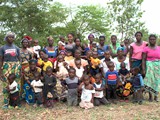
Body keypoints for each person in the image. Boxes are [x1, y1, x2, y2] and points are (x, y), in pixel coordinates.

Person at [0, 32, 21, 108]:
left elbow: (19, 59)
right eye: (9, 37)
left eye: (12, 37)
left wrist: (20, 68)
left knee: (16, 83)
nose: (11, 38)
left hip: (16, 66)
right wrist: (0, 72)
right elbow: (1, 60)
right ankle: (6, 103)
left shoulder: (17, 48)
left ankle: (16, 102)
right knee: (6, 83)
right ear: (6, 38)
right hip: (6, 66)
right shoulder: (2, 48)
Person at [142, 34, 160, 102]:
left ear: (156, 40)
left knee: (156, 81)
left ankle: (156, 96)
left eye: (153, 39)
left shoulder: (159, 48)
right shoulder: (146, 49)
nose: (152, 40)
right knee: (149, 81)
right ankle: (150, 96)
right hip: (149, 66)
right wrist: (143, 69)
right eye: (151, 39)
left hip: (157, 66)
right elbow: (143, 59)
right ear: (149, 40)